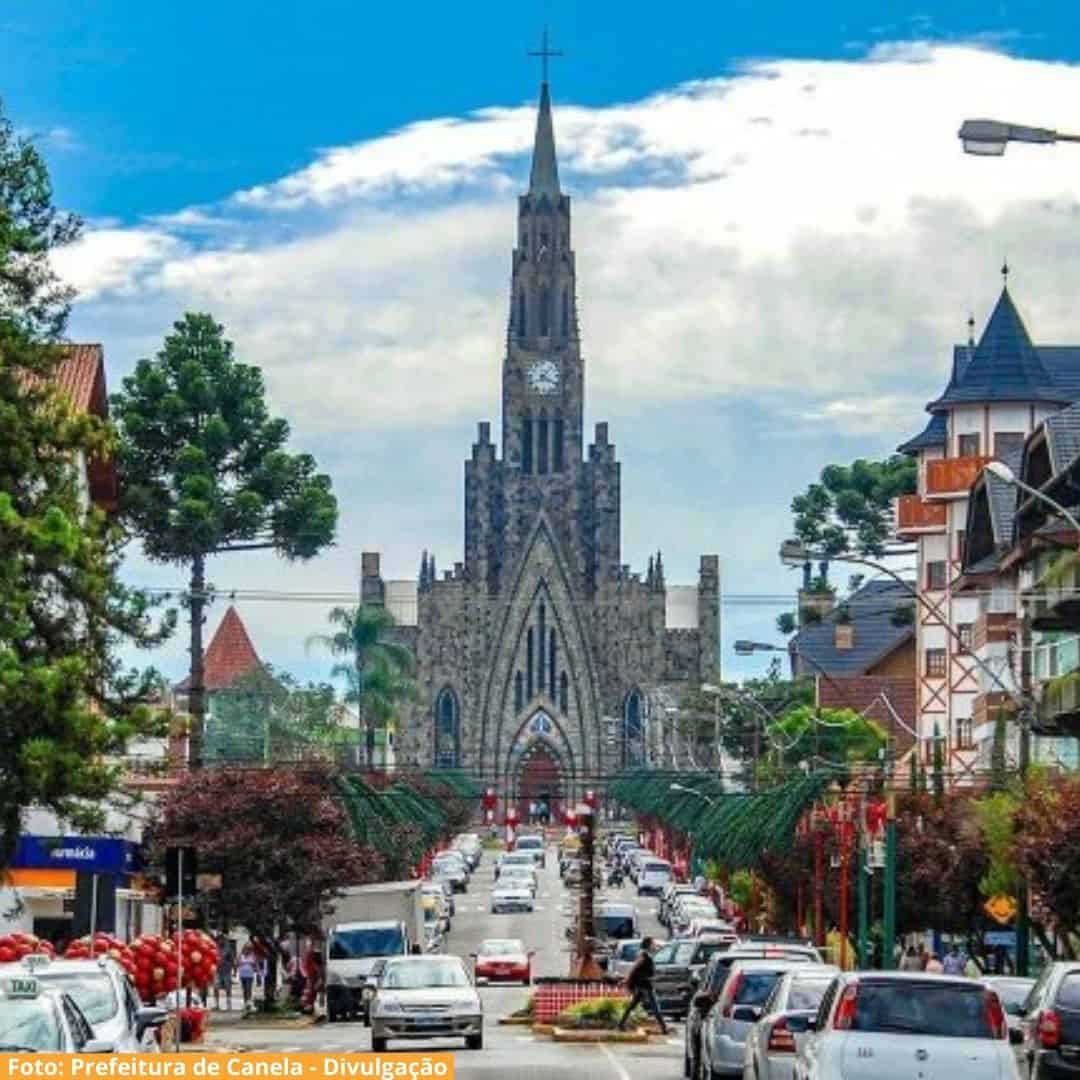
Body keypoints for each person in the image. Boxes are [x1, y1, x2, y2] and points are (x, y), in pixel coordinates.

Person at [617, 937, 668, 1035]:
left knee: (633, 1005)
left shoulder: (647, 954)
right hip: (645, 985)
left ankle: (621, 1024)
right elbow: (634, 969)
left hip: (643, 985)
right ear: (648, 945)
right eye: (653, 944)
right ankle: (664, 1028)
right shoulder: (643, 955)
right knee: (655, 1008)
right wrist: (626, 980)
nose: (654, 945)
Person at [213, 936, 236, 1011]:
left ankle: (229, 1005)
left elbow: (232, 960)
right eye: (219, 940)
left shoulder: (228, 949)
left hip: (226, 971)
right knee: (216, 987)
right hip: (217, 971)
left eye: (222, 940)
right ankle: (216, 1004)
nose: (220, 941)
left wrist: (234, 970)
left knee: (228, 987)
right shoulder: (215, 948)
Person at [237, 944, 258, 1014]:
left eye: (248, 949)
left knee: (248, 988)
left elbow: (255, 964)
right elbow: (237, 963)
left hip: (249, 974)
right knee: (244, 989)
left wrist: (254, 966)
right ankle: (245, 1002)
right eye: (246, 948)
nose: (247, 950)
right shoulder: (241, 955)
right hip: (242, 974)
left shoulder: (253, 955)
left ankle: (249, 1003)